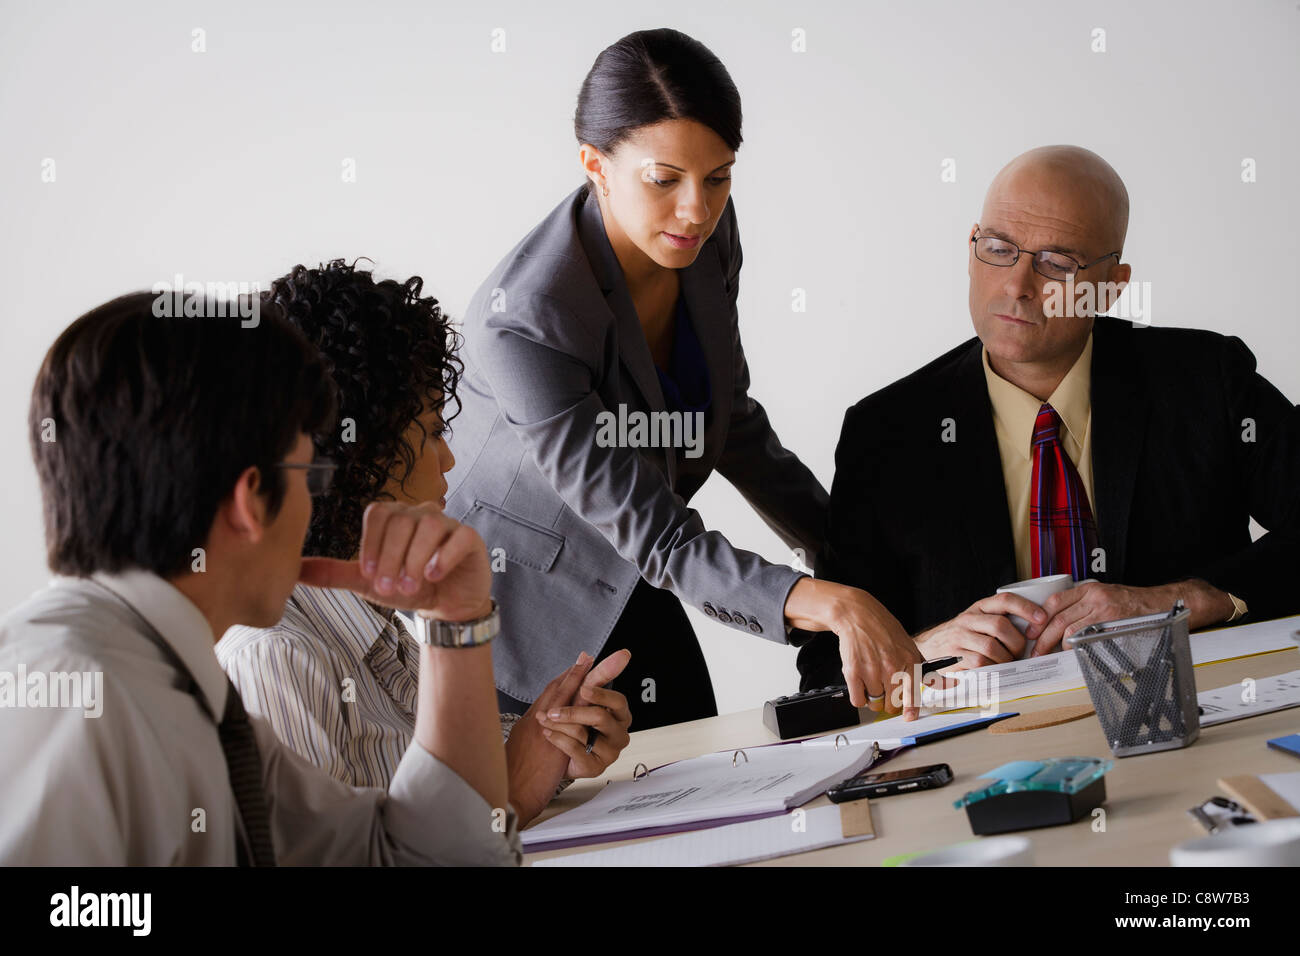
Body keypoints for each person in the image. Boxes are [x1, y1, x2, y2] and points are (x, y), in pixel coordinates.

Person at [447, 28, 922, 728]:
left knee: (699, 762)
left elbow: (729, 420)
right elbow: (663, 538)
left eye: (719, 176)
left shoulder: (699, 239)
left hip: (643, 553)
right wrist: (830, 601)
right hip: (526, 600)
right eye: (664, 179)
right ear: (595, 165)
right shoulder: (525, 321)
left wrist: (847, 554)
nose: (697, 209)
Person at [0, 292, 521, 865]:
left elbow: (422, 857)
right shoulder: (72, 696)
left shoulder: (197, 704)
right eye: (307, 473)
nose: (316, 503)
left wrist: (456, 624)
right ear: (250, 499)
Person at [797, 145, 1300, 689]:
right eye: (998, 249)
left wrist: (1184, 600)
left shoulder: (1206, 380)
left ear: (1111, 286)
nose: (1017, 286)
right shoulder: (885, 434)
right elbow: (825, 671)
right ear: (970, 252)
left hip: (1189, 720)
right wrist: (918, 651)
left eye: (1057, 263)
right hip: (988, 751)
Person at [218, 261, 633, 826]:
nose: (449, 459)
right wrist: (507, 793)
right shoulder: (277, 659)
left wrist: (545, 743)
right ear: (363, 451)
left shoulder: (387, 625)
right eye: (435, 430)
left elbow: (445, 803)